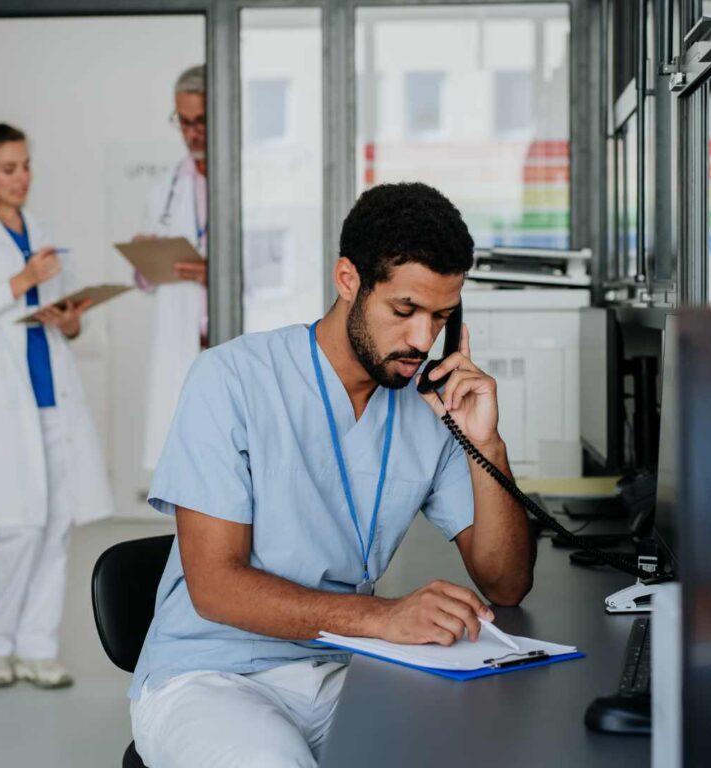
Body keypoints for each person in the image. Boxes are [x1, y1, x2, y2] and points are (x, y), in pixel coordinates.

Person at [129, 182, 536, 767]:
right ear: (348, 280)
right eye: (405, 310)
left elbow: (506, 583)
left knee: (479, 748)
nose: (423, 340)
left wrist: (487, 443)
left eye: (441, 317)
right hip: (213, 675)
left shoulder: (431, 407)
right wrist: (385, 617)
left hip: (343, 668)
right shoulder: (231, 379)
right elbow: (214, 586)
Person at [0, 124, 114, 688]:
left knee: (58, 522)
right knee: (19, 526)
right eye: (8, 169)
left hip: (53, 395)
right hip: (5, 401)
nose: (22, 178)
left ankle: (38, 646)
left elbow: (71, 316)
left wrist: (70, 317)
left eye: (26, 166)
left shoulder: (42, 233)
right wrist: (20, 281)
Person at [135, 64, 208, 470]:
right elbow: (145, 281)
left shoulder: (248, 180)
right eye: (183, 123)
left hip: (228, 332)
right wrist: (147, 258)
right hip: (183, 339)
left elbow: (280, 266)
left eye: (200, 121)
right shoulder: (165, 186)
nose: (192, 133)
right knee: (188, 459)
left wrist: (218, 272)